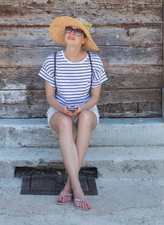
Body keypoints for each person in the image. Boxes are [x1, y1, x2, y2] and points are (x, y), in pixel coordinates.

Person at [38, 16, 108, 211]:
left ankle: (69, 185)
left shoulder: (94, 61)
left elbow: (95, 98)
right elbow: (50, 97)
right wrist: (63, 109)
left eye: (78, 31)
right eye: (69, 30)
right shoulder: (52, 60)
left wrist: (82, 108)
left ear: (84, 39)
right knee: (67, 123)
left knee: (85, 118)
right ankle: (77, 188)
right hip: (59, 112)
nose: (72, 34)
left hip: (86, 110)